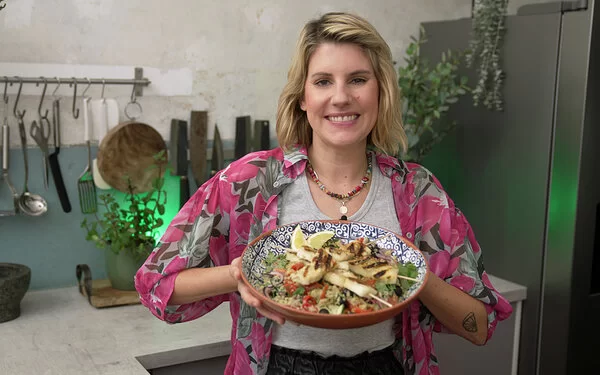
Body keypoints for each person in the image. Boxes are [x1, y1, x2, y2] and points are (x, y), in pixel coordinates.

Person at [135, 11, 513, 375]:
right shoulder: (249, 181)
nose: (341, 97)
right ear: (302, 97)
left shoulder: (417, 191)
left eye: (358, 79)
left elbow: (478, 326)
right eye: (323, 81)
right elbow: (156, 283)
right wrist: (238, 274)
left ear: (380, 90)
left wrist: (413, 273)